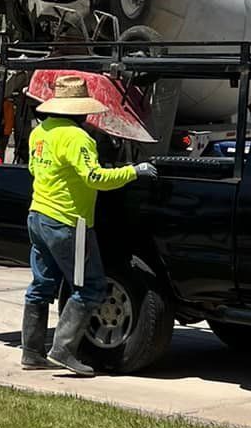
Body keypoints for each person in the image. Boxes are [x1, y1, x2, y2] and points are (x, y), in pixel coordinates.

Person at [21, 75, 155, 377]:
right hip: (69, 222)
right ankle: (64, 349)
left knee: (41, 286)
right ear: (80, 110)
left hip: (37, 216)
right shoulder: (78, 138)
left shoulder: (39, 133)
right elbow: (94, 178)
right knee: (90, 286)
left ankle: (31, 352)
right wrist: (133, 171)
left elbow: (33, 168)